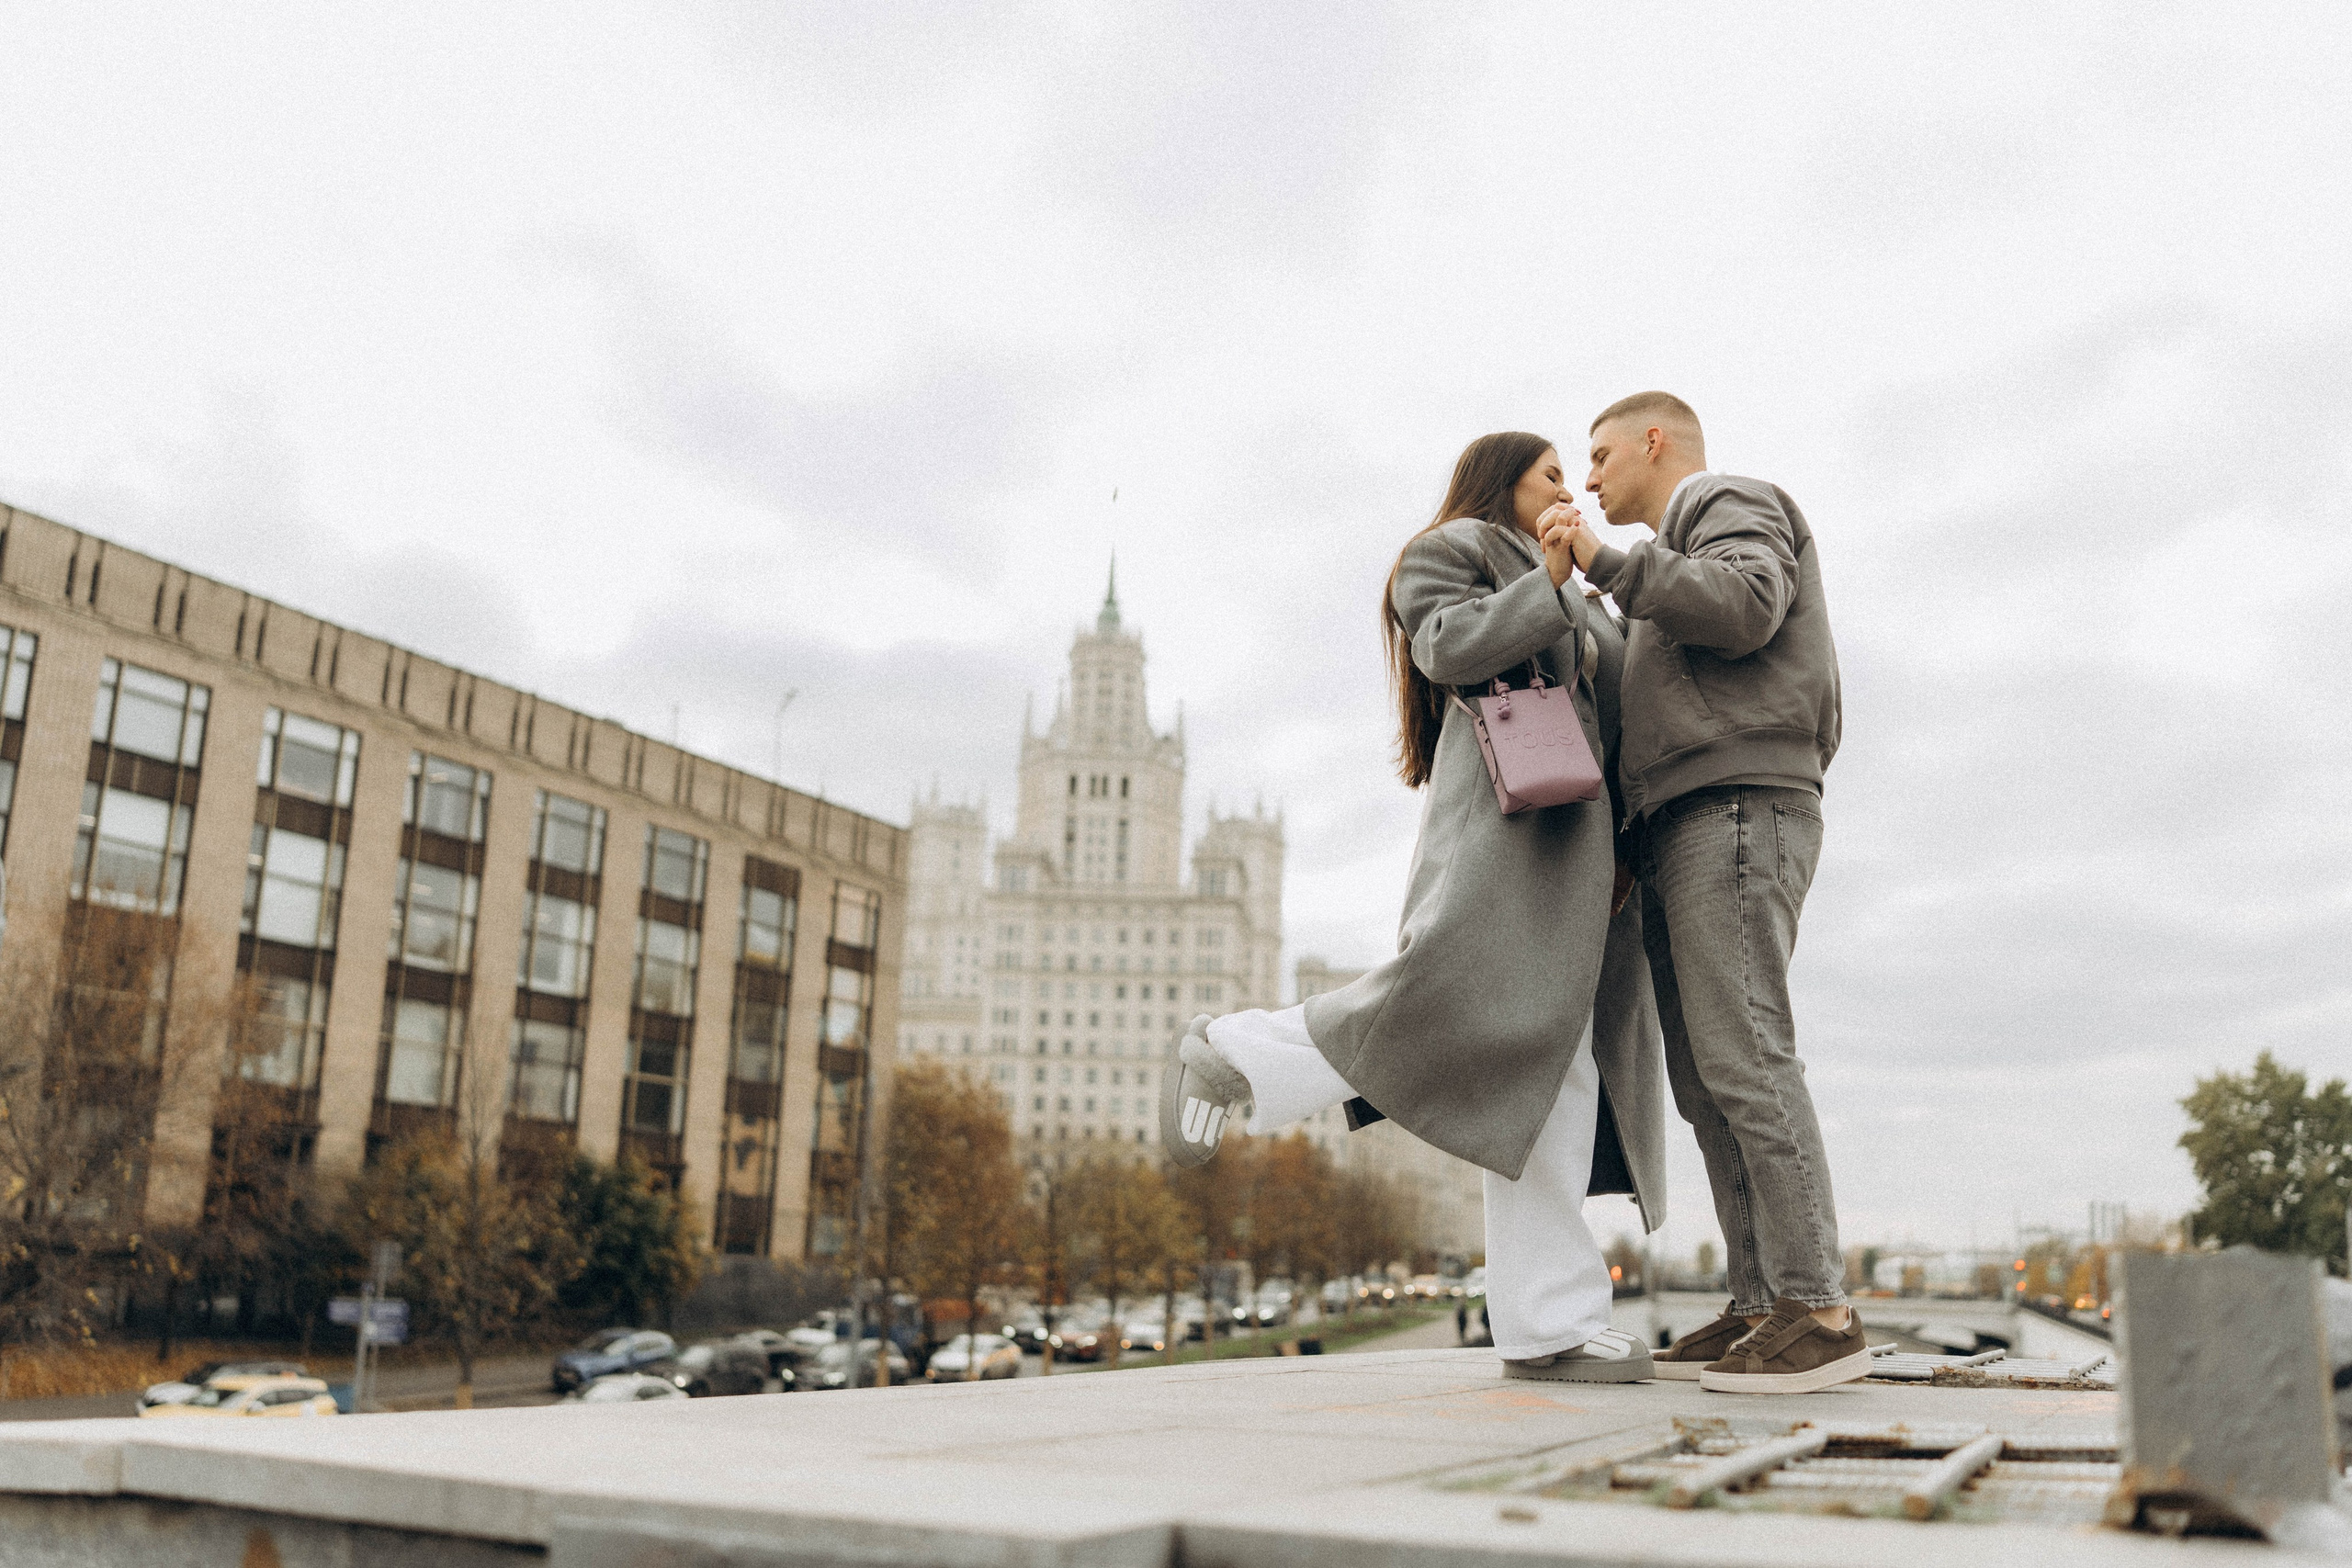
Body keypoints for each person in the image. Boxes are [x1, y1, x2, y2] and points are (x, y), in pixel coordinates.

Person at [1160, 431, 1668, 1382]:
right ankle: (1226, 1051)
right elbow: (1448, 648)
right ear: (1500, 480)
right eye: (1554, 473)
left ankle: (1546, 1326)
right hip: (1509, 852)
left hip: (1588, 873)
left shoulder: (1581, 588)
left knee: (1550, 1079)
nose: (1573, 489)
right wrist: (1550, 583)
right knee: (1430, 1013)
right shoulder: (1450, 553)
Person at [1562, 391, 1865, 1395]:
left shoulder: (1730, 498)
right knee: (1703, 1083)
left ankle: (1817, 1306)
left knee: (1744, 1056)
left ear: (1657, 443)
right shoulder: (1665, 565)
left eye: (1600, 455)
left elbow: (1744, 606)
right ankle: (1759, 1305)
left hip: (1736, 806)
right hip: (1680, 824)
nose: (1590, 478)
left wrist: (1607, 567)